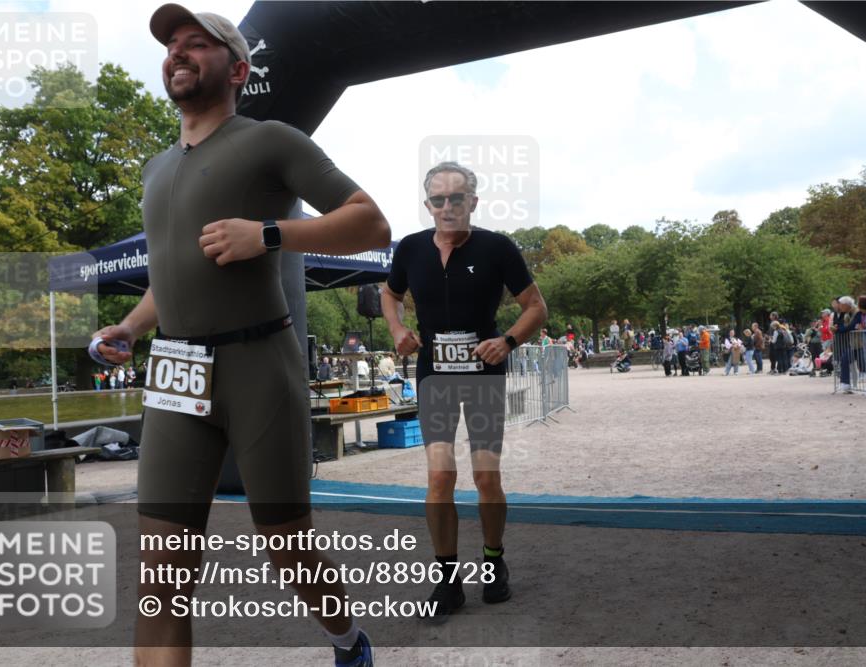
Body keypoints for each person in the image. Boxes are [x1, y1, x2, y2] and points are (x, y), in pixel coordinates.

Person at [91, 6, 389, 665]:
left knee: (286, 544)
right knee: (161, 572)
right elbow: (172, 271)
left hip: (260, 364)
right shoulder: (155, 168)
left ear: (239, 68)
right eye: (173, 44)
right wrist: (132, 324)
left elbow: (372, 223)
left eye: (198, 44)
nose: (179, 52)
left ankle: (348, 641)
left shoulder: (269, 141)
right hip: (176, 373)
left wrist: (269, 235)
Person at [380, 161, 548, 623]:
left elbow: (536, 307)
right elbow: (389, 294)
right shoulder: (411, 249)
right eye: (439, 199)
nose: (448, 207)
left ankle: (493, 561)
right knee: (439, 477)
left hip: (482, 372)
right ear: (428, 204)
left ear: (473, 202)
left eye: (457, 199)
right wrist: (397, 329)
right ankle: (448, 579)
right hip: (435, 372)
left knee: (485, 476)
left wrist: (508, 340)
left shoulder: (497, 248)